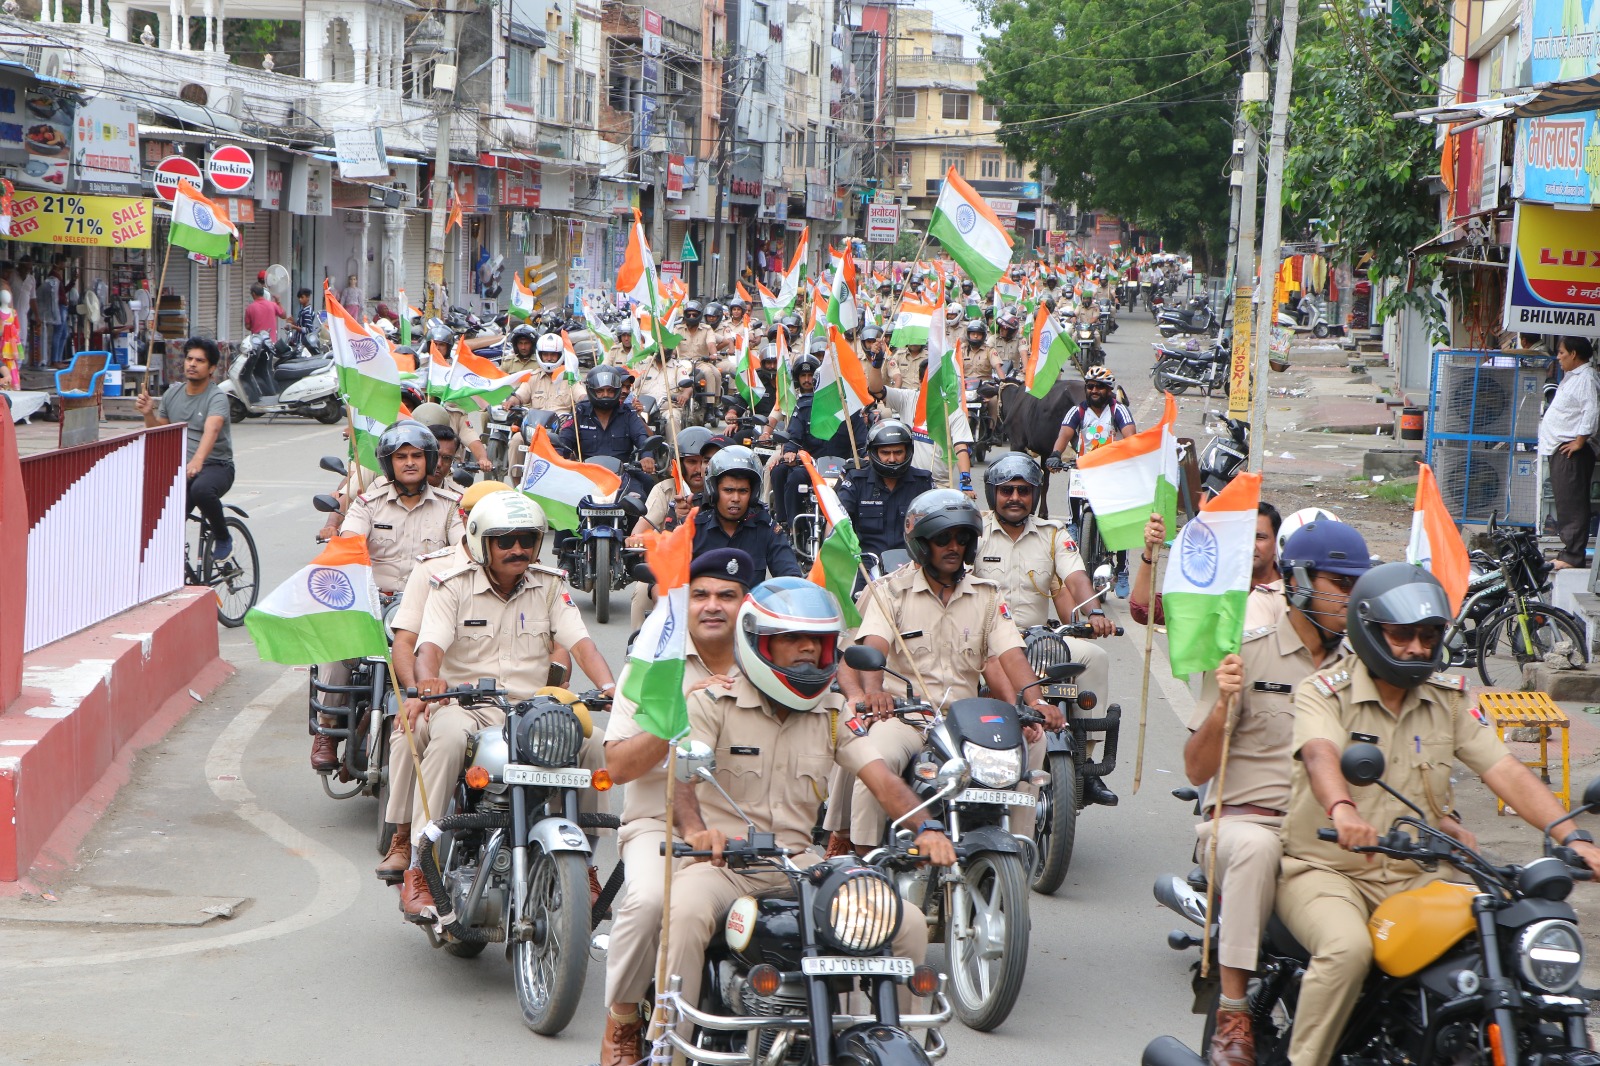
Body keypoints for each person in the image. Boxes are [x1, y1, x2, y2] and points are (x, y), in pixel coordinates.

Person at [1276, 562, 1600, 1066]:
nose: (1418, 649)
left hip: (1417, 872)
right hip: (1327, 870)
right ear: (1369, 629)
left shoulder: (1445, 697)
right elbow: (1320, 752)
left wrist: (1573, 835)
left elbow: (1505, 770)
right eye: (1402, 635)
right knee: (1346, 951)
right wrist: (1342, 809)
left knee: (1503, 933)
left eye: (1428, 636)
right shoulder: (1324, 691)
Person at [662, 578, 954, 1039]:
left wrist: (928, 827)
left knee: (905, 922)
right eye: (791, 639)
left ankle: (892, 1041)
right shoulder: (711, 702)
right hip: (721, 863)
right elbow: (681, 777)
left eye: (816, 642)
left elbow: (882, 780)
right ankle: (669, 1042)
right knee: (686, 913)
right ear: (760, 644)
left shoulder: (832, 714)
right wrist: (698, 832)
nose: (805, 650)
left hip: (798, 865)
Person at [1183, 521, 1372, 1066]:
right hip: (1249, 824)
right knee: (1257, 848)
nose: (1351, 598)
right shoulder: (1247, 656)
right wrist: (1223, 705)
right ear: (1300, 582)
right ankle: (1234, 1012)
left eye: (1357, 585)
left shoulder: (1364, 668)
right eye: (1340, 583)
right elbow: (1196, 768)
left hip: (1325, 833)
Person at [402, 491, 616, 917]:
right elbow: (428, 646)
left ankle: (583, 862)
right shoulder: (451, 586)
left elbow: (582, 644)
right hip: (468, 705)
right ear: (483, 543)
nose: (518, 549)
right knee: (445, 741)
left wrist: (611, 688)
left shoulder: (552, 585)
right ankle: (419, 865)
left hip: (536, 711)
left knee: (595, 744)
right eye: (506, 540)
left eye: (527, 539)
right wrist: (428, 682)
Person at [835, 490, 1063, 849]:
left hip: (964, 721)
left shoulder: (988, 595)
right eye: (942, 539)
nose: (953, 547)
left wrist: (1035, 703)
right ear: (921, 543)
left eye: (962, 539)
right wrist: (874, 692)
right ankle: (864, 857)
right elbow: (873, 645)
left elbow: (1011, 654)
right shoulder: (890, 592)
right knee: (876, 755)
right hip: (905, 718)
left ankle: (1017, 846)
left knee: (1031, 742)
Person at [598, 547, 751, 1066]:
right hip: (658, 820)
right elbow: (617, 766)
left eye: (727, 596)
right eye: (701, 595)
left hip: (744, 825)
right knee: (646, 904)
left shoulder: (766, 664)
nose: (713, 606)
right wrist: (683, 715)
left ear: (745, 604)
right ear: (684, 604)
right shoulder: (653, 664)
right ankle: (622, 1020)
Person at [376, 478, 517, 882]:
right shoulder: (435, 570)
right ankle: (404, 838)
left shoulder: (528, 577)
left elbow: (563, 646)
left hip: (506, 699)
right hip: (444, 693)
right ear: (466, 521)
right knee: (408, 728)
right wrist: (419, 691)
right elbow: (406, 643)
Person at [313, 421, 464, 772]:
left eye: (416, 455)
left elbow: (462, 550)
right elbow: (351, 541)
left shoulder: (449, 505)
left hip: (429, 607)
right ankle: (329, 731)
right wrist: (342, 543)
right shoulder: (368, 503)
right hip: (375, 604)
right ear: (388, 463)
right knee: (342, 648)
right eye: (401, 457)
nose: (409, 462)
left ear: (428, 460)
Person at [973, 454, 1118, 808]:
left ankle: (1085, 763)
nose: (1015, 497)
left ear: (1036, 495)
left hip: (1040, 641)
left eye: (1024, 490)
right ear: (993, 493)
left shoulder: (1053, 534)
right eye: (1007, 490)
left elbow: (1075, 577)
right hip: (985, 643)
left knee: (1094, 658)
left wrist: (1094, 613)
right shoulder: (974, 532)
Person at [135, 337, 235, 555]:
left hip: (217, 466)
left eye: (199, 361)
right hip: (183, 469)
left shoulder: (216, 397)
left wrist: (198, 460)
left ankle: (223, 535)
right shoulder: (173, 394)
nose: (192, 364)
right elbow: (159, 433)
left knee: (202, 490)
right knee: (163, 511)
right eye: (189, 358)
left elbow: (213, 429)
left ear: (211, 369)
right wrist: (148, 414)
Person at [1047, 365, 1137, 594]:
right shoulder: (1077, 411)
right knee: (1075, 488)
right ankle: (1075, 524)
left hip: (1113, 470)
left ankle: (1122, 569)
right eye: (1090, 386)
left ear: (1109, 389)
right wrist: (1056, 455)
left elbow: (1130, 436)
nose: (1094, 390)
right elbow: (1064, 434)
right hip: (1084, 468)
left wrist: (1131, 455)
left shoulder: (1119, 410)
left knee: (1118, 522)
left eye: (1099, 386)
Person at [1130, 503, 1284, 627]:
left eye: (1260, 537)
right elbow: (1144, 610)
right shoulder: (1215, 588)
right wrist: (1150, 552)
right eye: (1244, 536)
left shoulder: (1292, 592)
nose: (1250, 545)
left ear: (1277, 542)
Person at [772, 353, 868, 526]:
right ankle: (793, 527)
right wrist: (790, 452)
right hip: (812, 467)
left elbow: (862, 445)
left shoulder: (851, 411)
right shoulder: (805, 407)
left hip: (845, 470)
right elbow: (793, 437)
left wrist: (866, 457)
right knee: (791, 476)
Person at [691, 446, 802, 585]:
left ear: (752, 495)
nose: (736, 498)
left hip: (750, 606)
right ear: (714, 492)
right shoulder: (693, 530)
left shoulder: (765, 528)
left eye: (743, 491)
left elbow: (790, 575)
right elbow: (666, 580)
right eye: (728, 490)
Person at [836, 420, 934, 564]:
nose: (892, 459)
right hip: (866, 565)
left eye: (898, 452)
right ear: (873, 453)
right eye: (885, 453)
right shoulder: (856, 481)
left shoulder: (923, 482)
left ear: (908, 451)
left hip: (912, 565)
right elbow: (837, 522)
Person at [1540, 336, 1598, 570]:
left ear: (1574, 354)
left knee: (1572, 504)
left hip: (1571, 450)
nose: (1559, 357)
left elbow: (1591, 410)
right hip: (1560, 448)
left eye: (1562, 352)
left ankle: (1572, 556)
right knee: (1565, 502)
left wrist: (1580, 441)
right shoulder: (1573, 377)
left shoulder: (1586, 377)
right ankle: (1569, 551)